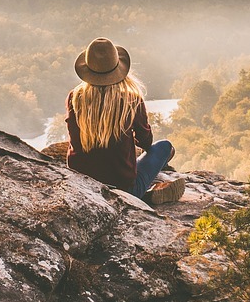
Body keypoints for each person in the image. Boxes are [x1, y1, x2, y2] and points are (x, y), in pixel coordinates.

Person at [65, 37, 183, 206]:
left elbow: (73, 137)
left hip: (82, 186)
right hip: (123, 188)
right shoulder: (131, 99)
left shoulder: (75, 98)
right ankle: (143, 196)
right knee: (165, 147)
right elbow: (146, 142)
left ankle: (144, 196)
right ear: (118, 68)